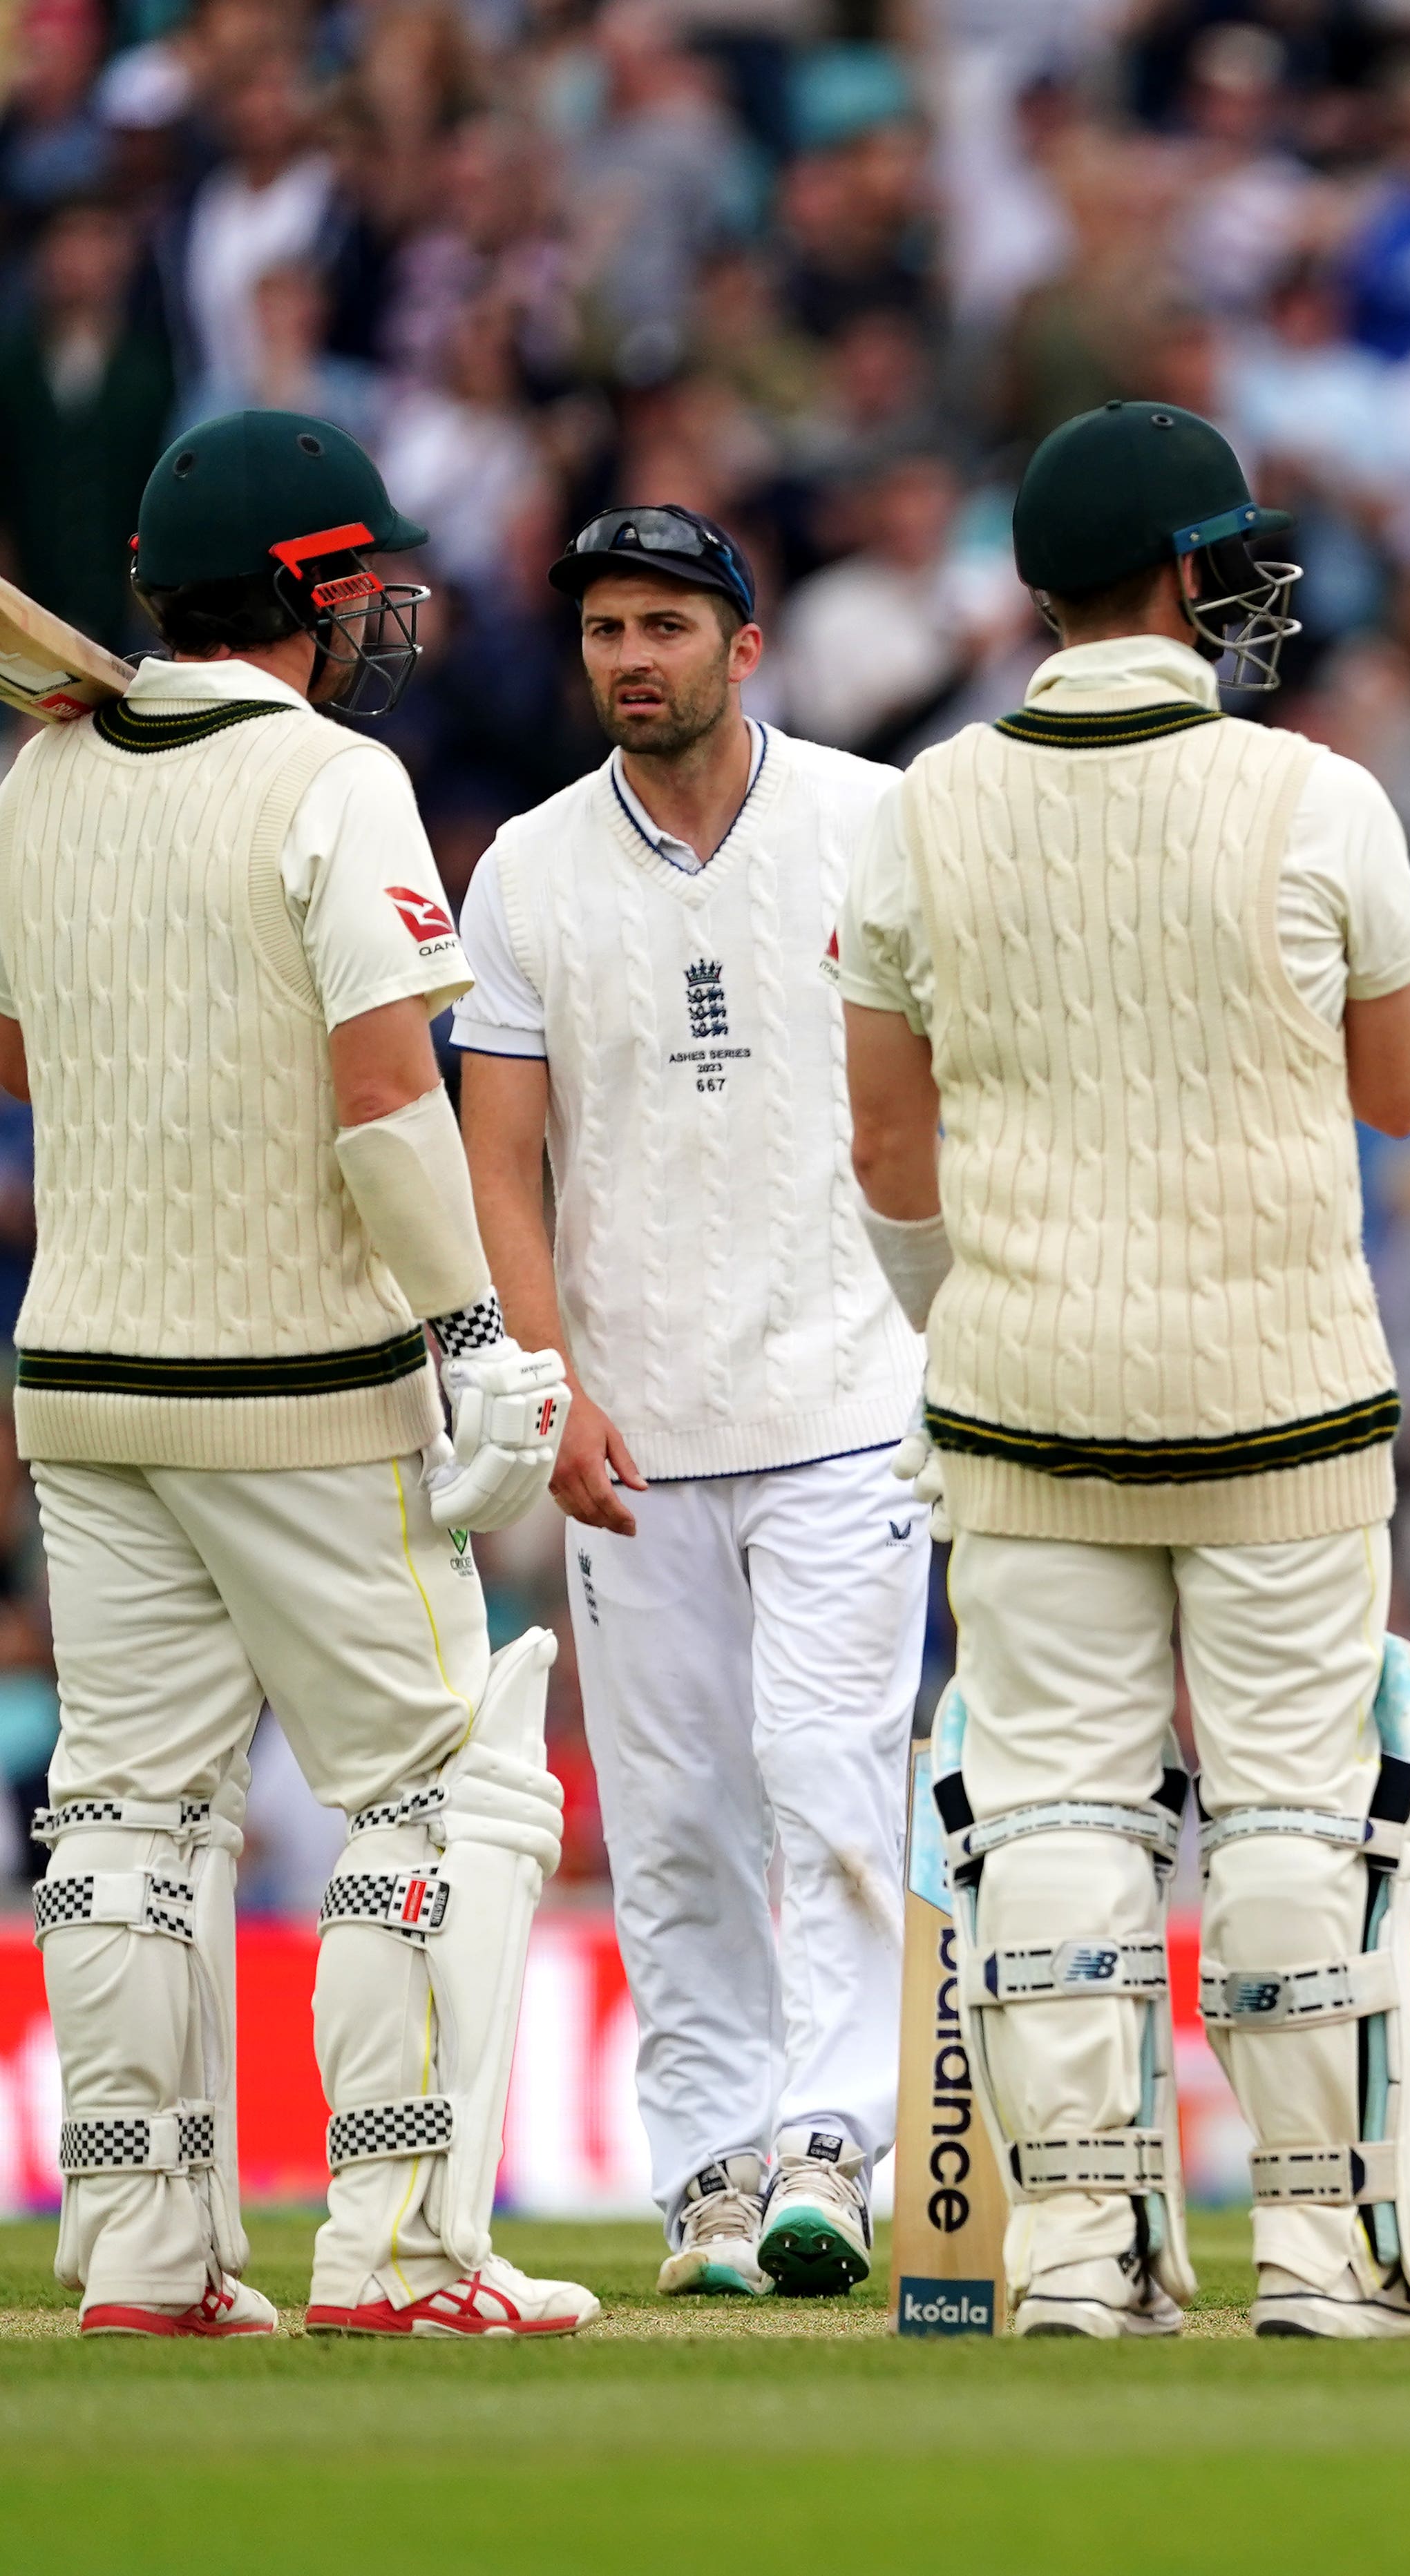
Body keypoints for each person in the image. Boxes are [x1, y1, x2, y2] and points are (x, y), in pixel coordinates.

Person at [833, 400, 1410, 2338]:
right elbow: (1401, 1091)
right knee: (1292, 1814)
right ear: (1188, 578)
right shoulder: (1318, 793)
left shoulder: (916, 805)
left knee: (1048, 1822)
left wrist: (971, 1313)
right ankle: (1314, 2244)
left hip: (1022, 1391)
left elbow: (883, 1148)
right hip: (1276, 1383)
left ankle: (1075, 2259)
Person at [1, 411, 589, 2337]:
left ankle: (147, 2261)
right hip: (303, 1382)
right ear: (312, 592)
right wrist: (481, 1337)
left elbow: (24, 1064)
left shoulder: (42, 774)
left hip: (85, 1374)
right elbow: (382, 1099)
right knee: (443, 1788)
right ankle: (404, 2250)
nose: (384, 618)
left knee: (127, 1818)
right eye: (365, 583)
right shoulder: (338, 779)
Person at [455, 505, 925, 2300]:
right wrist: (544, 1379)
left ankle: (827, 2146)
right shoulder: (527, 870)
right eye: (603, 629)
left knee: (825, 1772)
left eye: (665, 623)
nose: (630, 656)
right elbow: (500, 1161)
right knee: (667, 1814)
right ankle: (710, 2174)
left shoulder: (874, 823)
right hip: (633, 1426)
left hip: (847, 1395)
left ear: (746, 644)